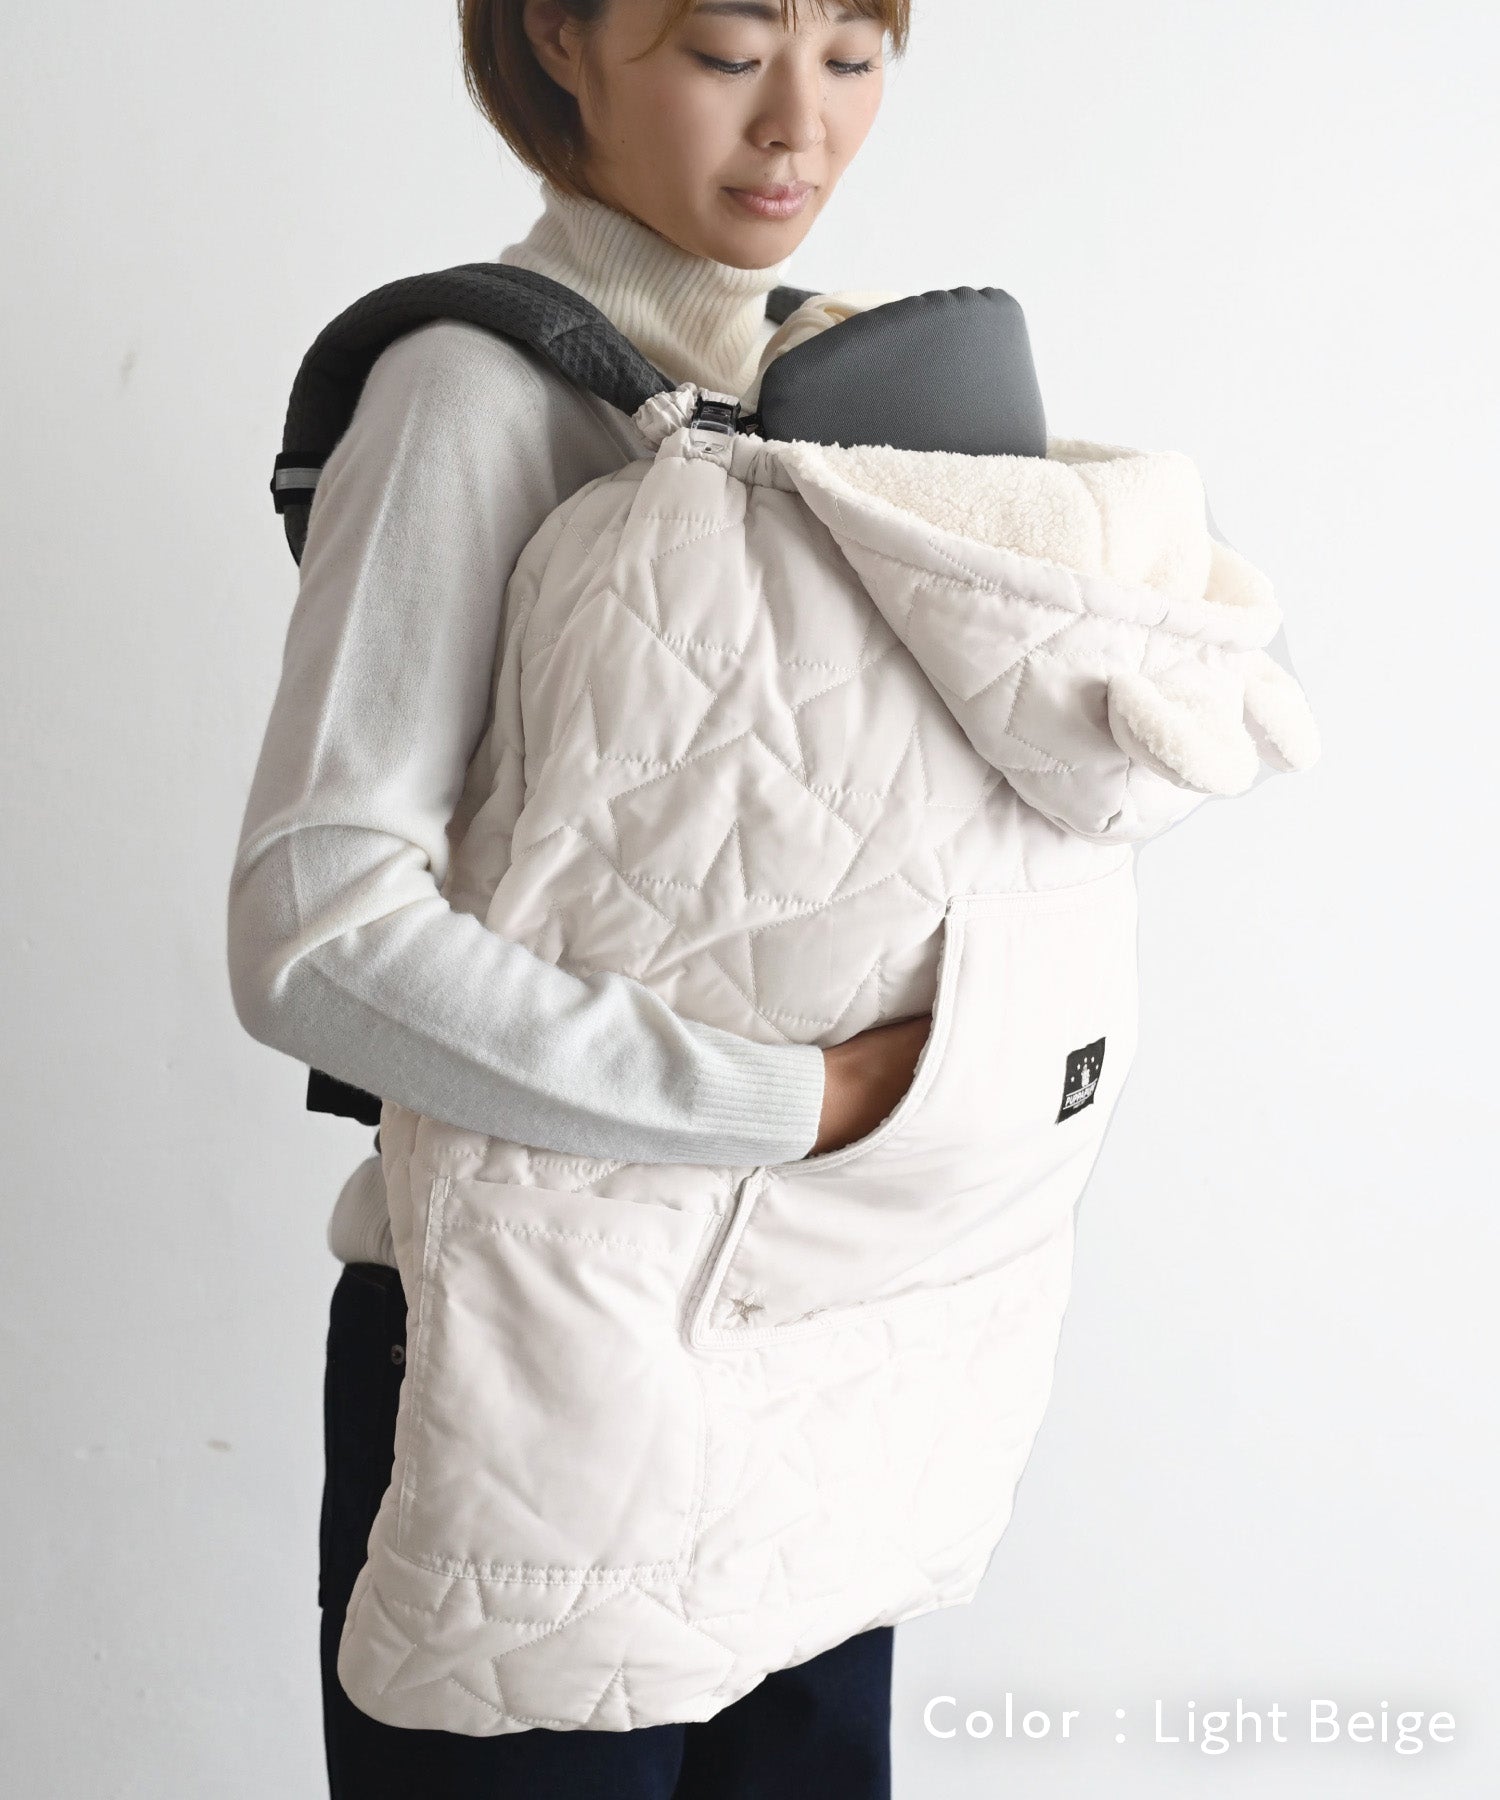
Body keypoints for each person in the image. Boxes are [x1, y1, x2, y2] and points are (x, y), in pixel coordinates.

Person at [225, 0, 916, 1792]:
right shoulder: (469, 389)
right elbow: (318, 932)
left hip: (806, 1349)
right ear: (561, 38)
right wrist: (793, 1100)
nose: (800, 126)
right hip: (515, 1352)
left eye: (854, 57)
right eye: (727, 52)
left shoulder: (850, 398)